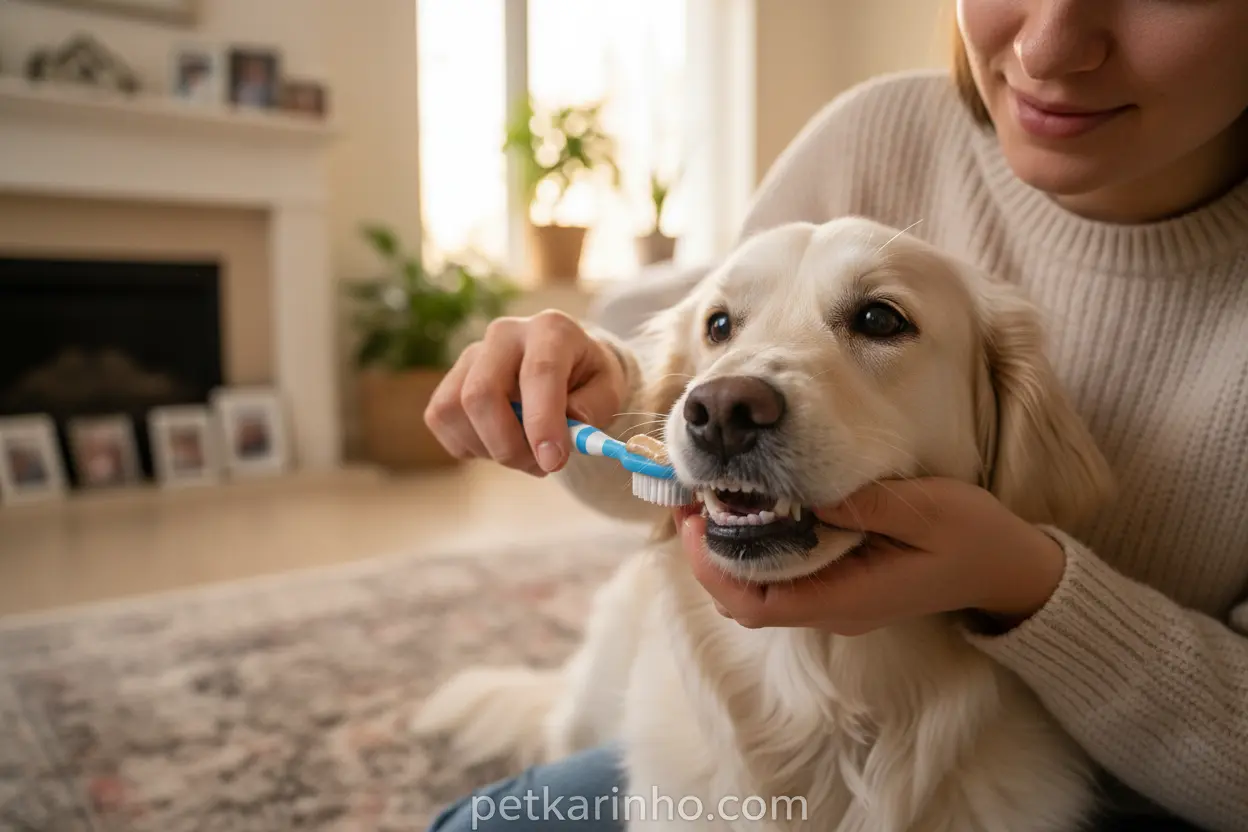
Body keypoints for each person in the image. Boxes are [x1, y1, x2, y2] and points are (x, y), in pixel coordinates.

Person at [422, 0, 1248, 829]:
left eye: (877, 320)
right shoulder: (869, 131)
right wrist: (593, 396)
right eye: (721, 329)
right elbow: (670, 461)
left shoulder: (1010, 360)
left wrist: (1021, 581)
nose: (1048, 46)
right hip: (734, 733)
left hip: (1153, 768)